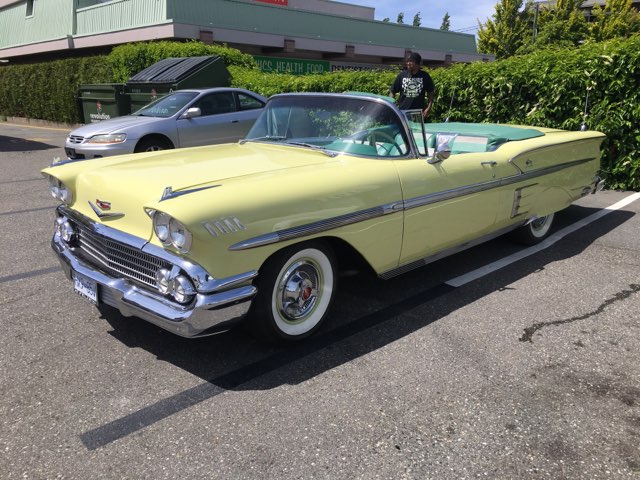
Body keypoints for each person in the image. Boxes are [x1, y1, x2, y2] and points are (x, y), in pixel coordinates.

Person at [390, 52, 435, 118]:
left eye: (411, 61)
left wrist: (429, 107)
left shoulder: (425, 76)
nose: (408, 63)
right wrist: (392, 106)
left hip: (418, 114)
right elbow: (392, 91)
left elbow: (431, 92)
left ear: (417, 63)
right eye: (407, 61)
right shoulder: (402, 75)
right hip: (403, 113)